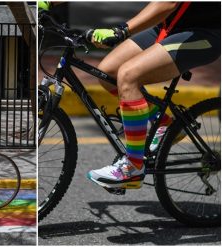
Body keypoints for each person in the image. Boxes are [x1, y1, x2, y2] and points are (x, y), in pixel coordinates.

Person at [39, 2, 221, 189]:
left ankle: (133, 167)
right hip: (168, 27)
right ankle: (164, 122)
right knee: (108, 72)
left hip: (204, 34)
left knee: (128, 76)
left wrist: (122, 30)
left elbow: (169, 3)